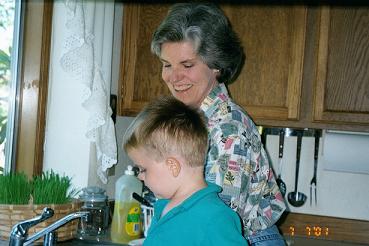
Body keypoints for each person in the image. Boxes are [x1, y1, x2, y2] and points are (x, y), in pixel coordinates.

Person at [151, 2, 286, 245]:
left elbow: (215, 219)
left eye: (187, 65)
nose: (173, 77)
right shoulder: (192, 121)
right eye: (166, 64)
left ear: (216, 65)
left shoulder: (228, 129)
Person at [123, 96, 248, 246]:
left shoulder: (214, 218)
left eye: (142, 169)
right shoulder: (165, 206)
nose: (141, 177)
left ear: (172, 166)